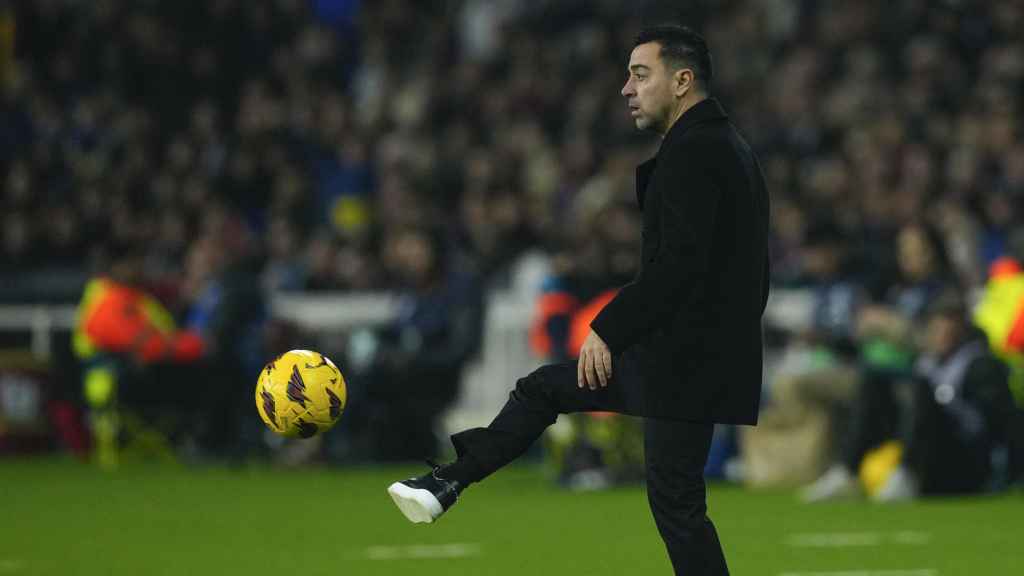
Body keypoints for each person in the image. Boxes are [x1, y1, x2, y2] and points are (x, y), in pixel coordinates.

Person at [387, 25, 770, 575]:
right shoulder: (726, 148)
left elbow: (679, 267)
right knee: (666, 494)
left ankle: (448, 482)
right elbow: (740, 272)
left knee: (672, 501)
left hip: (685, 360)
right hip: (695, 354)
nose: (626, 88)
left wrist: (611, 328)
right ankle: (447, 482)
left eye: (641, 74)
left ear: (683, 81)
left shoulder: (697, 153)